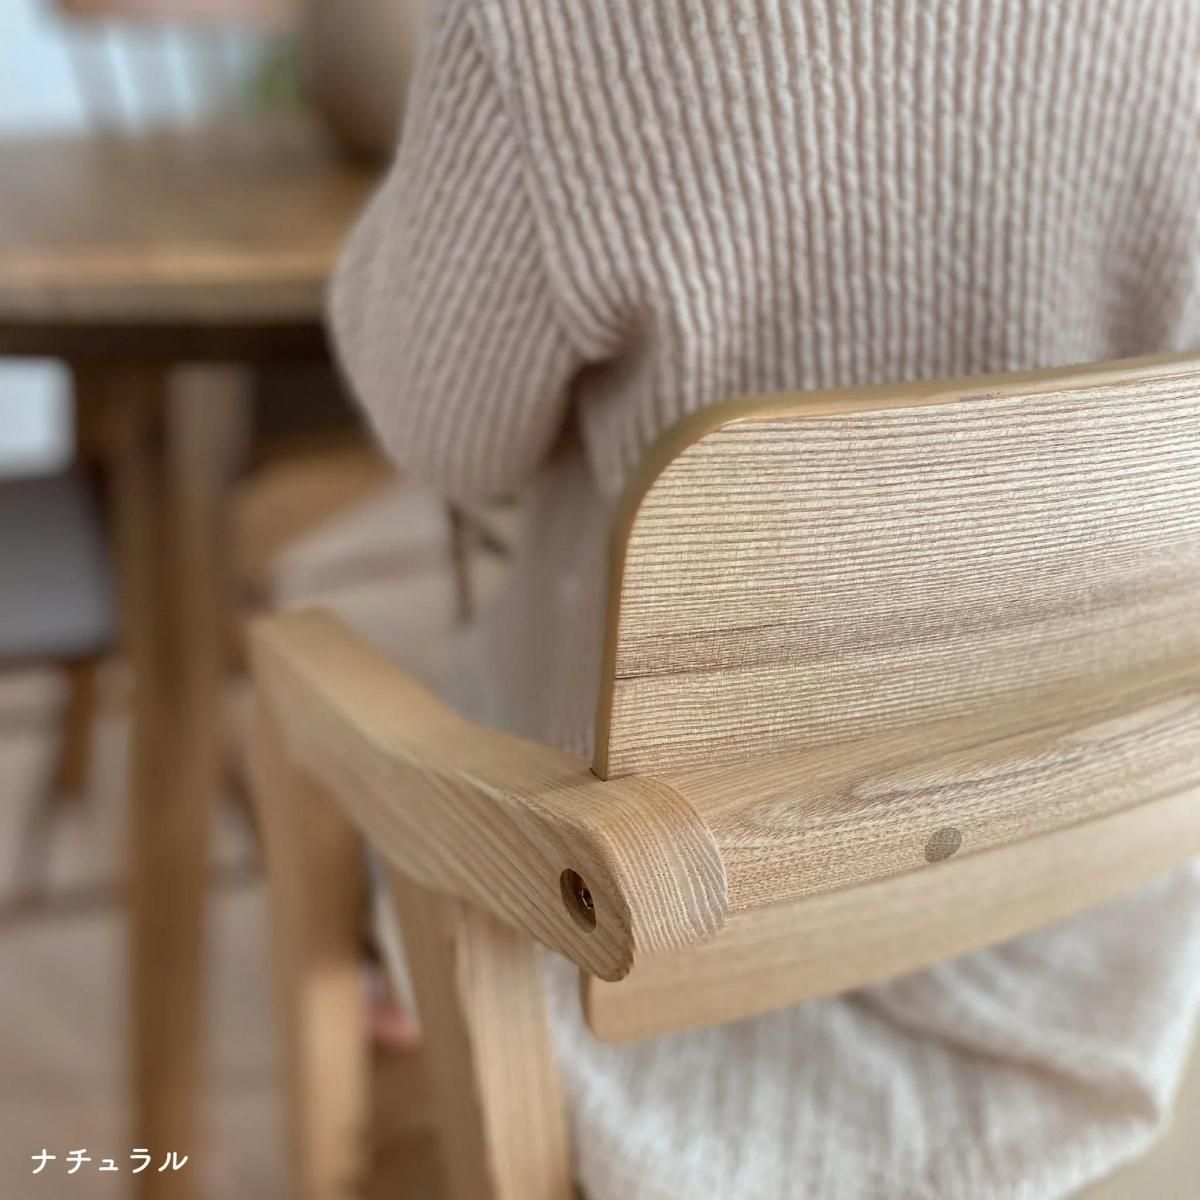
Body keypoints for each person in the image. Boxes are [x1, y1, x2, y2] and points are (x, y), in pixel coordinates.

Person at [331, 2, 1200, 1197]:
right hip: (1079, 922)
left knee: (338, 648)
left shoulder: (550, 31)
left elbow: (443, 432)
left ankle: (398, 973)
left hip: (633, 933)